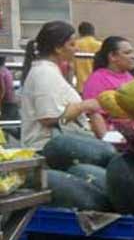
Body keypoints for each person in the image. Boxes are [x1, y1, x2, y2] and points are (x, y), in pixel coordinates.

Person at [20, 21, 103, 149]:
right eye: (72, 44)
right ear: (58, 48)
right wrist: (83, 106)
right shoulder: (44, 73)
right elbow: (48, 118)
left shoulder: (49, 71)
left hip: (60, 147)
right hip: (48, 149)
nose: (77, 48)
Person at [82, 36, 134, 135]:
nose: (133, 56)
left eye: (132, 52)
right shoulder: (97, 80)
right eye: (127, 53)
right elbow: (94, 114)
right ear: (112, 56)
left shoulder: (130, 77)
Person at [73, 21, 102, 94]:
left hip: (81, 85)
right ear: (93, 32)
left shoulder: (75, 45)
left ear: (80, 33)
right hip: (97, 84)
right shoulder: (100, 45)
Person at [0, 56, 17, 120]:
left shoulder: (0, 72)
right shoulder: (6, 70)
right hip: (12, 99)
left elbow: (2, 89)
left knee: (6, 124)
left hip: (7, 102)